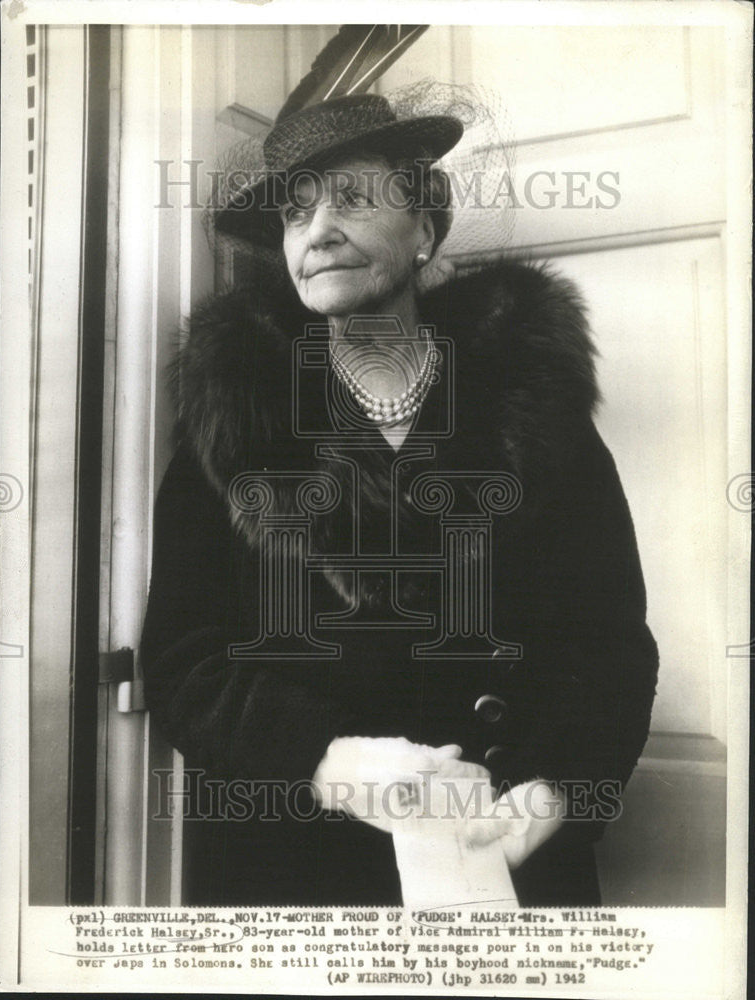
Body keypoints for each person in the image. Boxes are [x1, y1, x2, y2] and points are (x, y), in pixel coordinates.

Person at [140, 91, 658, 906]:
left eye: (352, 199)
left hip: (501, 850)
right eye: (296, 214)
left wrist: (548, 796)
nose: (318, 233)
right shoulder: (234, 422)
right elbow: (180, 661)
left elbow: (610, 647)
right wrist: (328, 757)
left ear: (423, 230)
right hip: (300, 862)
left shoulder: (532, 410)